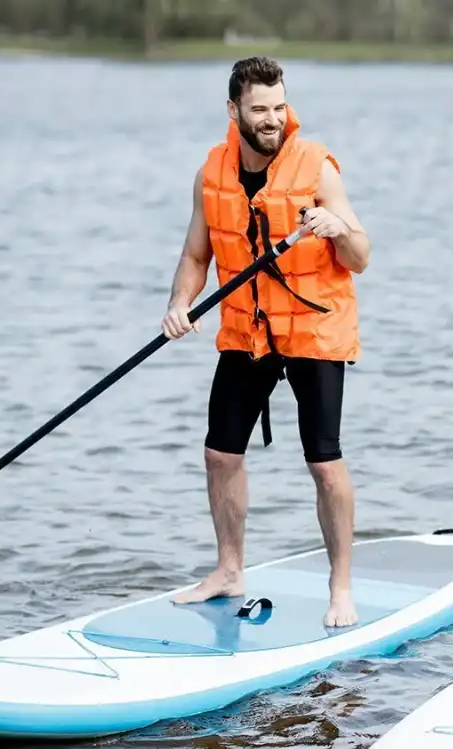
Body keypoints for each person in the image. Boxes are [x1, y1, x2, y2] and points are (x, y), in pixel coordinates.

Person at [160, 56, 371, 627]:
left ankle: (341, 588)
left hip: (315, 327)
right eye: (260, 110)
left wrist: (338, 229)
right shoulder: (212, 173)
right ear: (233, 111)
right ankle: (229, 570)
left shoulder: (317, 168)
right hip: (248, 330)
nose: (273, 119)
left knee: (324, 462)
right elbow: (195, 254)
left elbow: (362, 256)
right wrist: (180, 303)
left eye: (280, 107)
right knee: (219, 454)